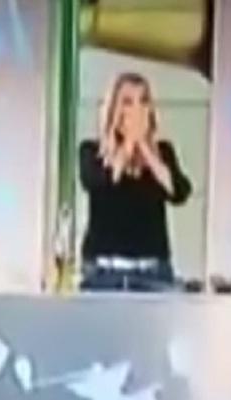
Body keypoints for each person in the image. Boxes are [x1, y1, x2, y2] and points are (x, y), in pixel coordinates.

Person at [79, 72, 192, 292]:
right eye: (128, 102)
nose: (136, 110)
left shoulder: (163, 152)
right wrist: (129, 142)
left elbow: (178, 192)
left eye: (143, 101)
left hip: (153, 272)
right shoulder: (91, 151)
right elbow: (101, 181)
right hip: (104, 272)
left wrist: (146, 148)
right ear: (114, 109)